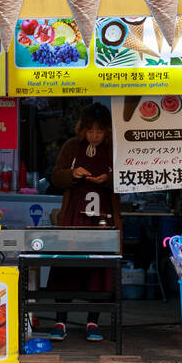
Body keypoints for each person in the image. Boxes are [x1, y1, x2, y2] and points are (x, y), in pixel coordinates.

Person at [46, 103, 121, 342]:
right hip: (73, 217)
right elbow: (55, 177)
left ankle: (93, 321)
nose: (95, 136)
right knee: (66, 267)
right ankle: (60, 321)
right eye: (90, 131)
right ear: (82, 130)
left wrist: (108, 179)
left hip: (103, 218)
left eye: (99, 132)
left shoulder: (114, 149)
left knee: (100, 270)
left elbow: (127, 179)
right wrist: (72, 174)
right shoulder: (71, 147)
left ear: (107, 131)